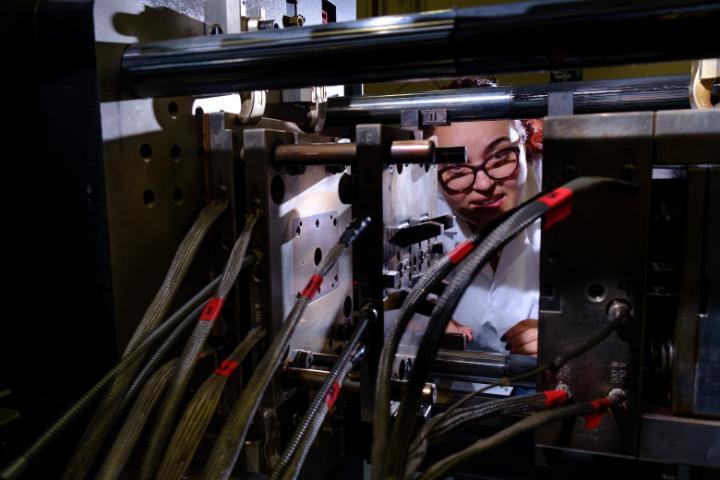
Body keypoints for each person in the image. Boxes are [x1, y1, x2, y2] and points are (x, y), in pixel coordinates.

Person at [431, 104, 543, 356]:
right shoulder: (415, 217)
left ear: (524, 146)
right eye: (456, 169)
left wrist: (563, 335)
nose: (484, 184)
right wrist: (420, 330)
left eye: (500, 157)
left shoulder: (562, 199)